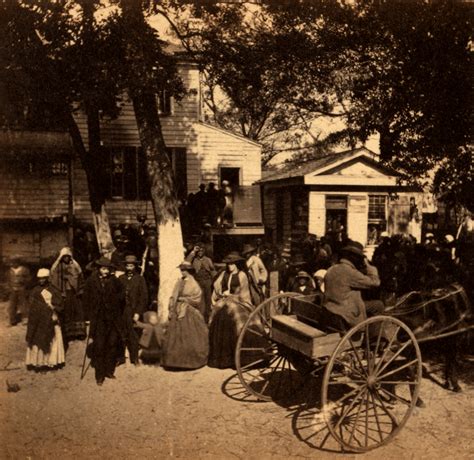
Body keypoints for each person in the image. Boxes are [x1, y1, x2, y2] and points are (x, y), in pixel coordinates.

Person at [83, 257, 126, 386]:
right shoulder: (91, 281)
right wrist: (89, 316)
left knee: (112, 345)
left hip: (113, 319)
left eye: (107, 269)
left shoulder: (115, 281)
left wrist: (115, 301)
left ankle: (109, 371)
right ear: (98, 269)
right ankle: (99, 375)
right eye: (103, 269)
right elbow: (86, 299)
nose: (105, 271)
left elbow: (123, 294)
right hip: (99, 319)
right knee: (99, 346)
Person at [323, 240, 383, 330]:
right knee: (378, 305)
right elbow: (375, 282)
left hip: (330, 307)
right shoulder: (350, 272)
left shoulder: (332, 269)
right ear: (354, 258)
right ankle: (373, 338)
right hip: (345, 311)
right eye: (360, 258)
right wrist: (369, 266)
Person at [208, 252, 254, 368]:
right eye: (228, 264)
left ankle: (242, 356)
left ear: (237, 264)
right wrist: (221, 293)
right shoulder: (223, 274)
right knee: (217, 314)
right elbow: (216, 286)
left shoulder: (242, 275)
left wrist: (233, 295)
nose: (230, 266)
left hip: (239, 301)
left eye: (232, 264)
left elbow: (244, 292)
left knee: (238, 318)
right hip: (224, 300)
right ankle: (221, 357)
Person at [161, 261, 209, 369]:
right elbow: (174, 295)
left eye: (184, 270)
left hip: (188, 310)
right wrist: (172, 306)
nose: (182, 272)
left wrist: (185, 299)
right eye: (181, 270)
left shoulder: (193, 283)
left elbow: (197, 297)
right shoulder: (179, 282)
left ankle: (191, 361)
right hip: (177, 309)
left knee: (189, 334)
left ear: (188, 271)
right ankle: (175, 362)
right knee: (175, 336)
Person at [25, 269, 65, 372]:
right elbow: (31, 304)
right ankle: (39, 363)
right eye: (39, 279)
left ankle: (51, 362)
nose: (41, 281)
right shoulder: (35, 291)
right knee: (38, 339)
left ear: (47, 279)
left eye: (43, 279)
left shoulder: (54, 290)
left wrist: (53, 307)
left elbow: (60, 304)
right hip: (38, 320)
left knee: (52, 339)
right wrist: (39, 309)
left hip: (51, 318)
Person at [50, 247, 86, 343]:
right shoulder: (58, 267)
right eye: (64, 257)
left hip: (74, 293)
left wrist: (70, 278)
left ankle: (79, 333)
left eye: (68, 256)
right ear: (61, 257)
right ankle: (68, 333)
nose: (66, 258)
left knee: (77, 311)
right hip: (64, 293)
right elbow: (54, 280)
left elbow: (79, 278)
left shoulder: (75, 266)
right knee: (67, 312)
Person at [118, 255, 149, 364]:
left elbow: (143, 298)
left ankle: (134, 358)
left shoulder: (140, 279)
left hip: (134, 310)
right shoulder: (120, 279)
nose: (129, 268)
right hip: (122, 311)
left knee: (134, 335)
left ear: (135, 266)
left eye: (131, 266)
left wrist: (138, 313)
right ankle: (121, 358)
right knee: (121, 334)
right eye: (127, 266)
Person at [185, 244, 216, 323]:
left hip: (207, 282)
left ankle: (208, 319)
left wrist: (214, 282)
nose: (200, 252)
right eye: (199, 251)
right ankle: (200, 319)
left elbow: (213, 271)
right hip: (198, 282)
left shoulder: (208, 260)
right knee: (200, 301)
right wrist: (193, 252)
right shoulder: (194, 260)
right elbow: (186, 262)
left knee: (208, 301)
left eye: (202, 250)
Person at [7, 256, 31, 326]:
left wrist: (23, 281)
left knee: (23, 304)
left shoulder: (24, 270)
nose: (12, 264)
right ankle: (12, 320)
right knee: (12, 305)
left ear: (18, 263)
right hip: (13, 289)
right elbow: (8, 280)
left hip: (22, 289)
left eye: (14, 263)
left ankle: (25, 319)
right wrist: (9, 287)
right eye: (11, 263)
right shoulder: (10, 270)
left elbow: (29, 278)